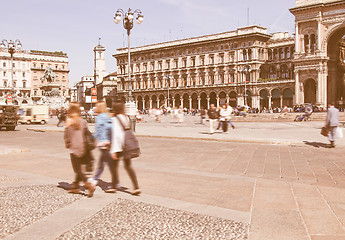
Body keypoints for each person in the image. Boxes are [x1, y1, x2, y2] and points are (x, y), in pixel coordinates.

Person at [64, 102, 95, 197]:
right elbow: (87, 133)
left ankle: (89, 185)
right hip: (84, 147)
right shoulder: (82, 120)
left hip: (75, 147)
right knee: (79, 168)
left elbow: (67, 135)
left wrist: (67, 142)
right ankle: (75, 187)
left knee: (77, 170)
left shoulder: (69, 120)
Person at [110, 102, 141, 195]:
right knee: (128, 166)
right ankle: (136, 187)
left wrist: (114, 150)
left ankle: (114, 186)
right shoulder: (126, 117)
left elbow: (116, 135)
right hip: (128, 144)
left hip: (121, 146)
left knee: (114, 166)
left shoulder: (115, 119)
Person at [89, 101, 118, 192]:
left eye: (96, 107)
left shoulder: (99, 117)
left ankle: (96, 180)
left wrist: (92, 139)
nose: (95, 108)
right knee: (106, 164)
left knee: (104, 164)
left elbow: (98, 131)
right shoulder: (109, 116)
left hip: (103, 144)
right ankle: (114, 182)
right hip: (110, 143)